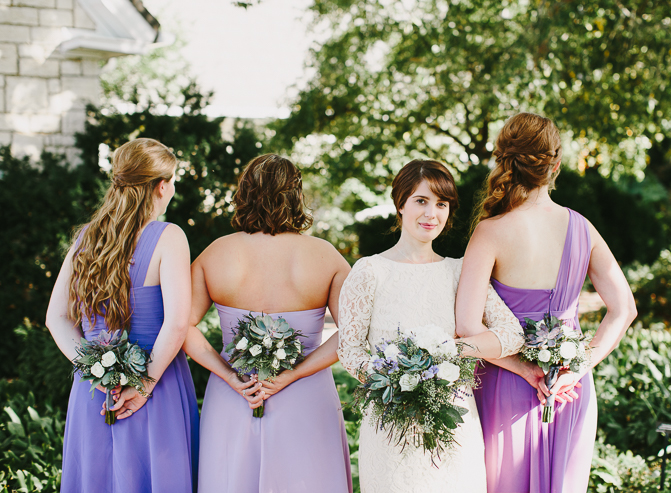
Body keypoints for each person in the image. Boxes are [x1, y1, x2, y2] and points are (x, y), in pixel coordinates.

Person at [456, 112, 638, 493]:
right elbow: (624, 309)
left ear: (503, 161)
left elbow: (467, 329)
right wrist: (579, 366)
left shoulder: (489, 232)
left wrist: (524, 370)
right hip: (569, 387)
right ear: (555, 164)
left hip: (505, 383)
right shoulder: (582, 228)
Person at [337, 159, 525, 493]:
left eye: (441, 204)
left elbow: (511, 334)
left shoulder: (461, 271)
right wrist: (395, 382)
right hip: (390, 427)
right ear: (400, 204)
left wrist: (450, 354)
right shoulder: (369, 272)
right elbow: (349, 350)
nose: (431, 214)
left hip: (453, 426)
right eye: (421, 201)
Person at [183, 153, 353, 493]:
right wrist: (292, 374)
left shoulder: (215, 253)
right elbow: (352, 334)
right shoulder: (326, 255)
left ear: (244, 193)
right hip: (306, 394)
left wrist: (230, 375)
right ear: (296, 195)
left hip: (237, 394)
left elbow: (181, 328)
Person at [46, 138, 199, 492]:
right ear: (162, 186)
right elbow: (177, 323)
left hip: (95, 392)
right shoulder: (169, 236)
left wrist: (94, 371)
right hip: (156, 386)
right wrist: (143, 386)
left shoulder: (85, 239)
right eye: (173, 181)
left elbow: (56, 318)